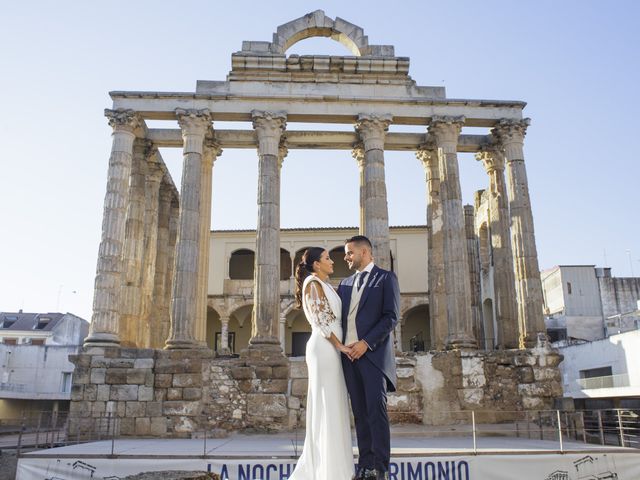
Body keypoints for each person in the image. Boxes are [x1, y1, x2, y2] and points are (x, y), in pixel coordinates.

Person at [289, 247, 355, 480]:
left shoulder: (324, 284)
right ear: (317, 264)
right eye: (328, 258)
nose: (333, 261)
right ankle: (328, 472)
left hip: (330, 347)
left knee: (334, 404)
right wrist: (340, 346)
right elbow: (321, 319)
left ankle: (335, 469)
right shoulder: (313, 283)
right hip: (326, 347)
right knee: (328, 405)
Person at [338, 235, 400, 480]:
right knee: (360, 413)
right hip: (349, 358)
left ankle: (381, 468)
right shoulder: (344, 284)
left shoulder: (385, 278)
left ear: (364, 252)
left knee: (376, 410)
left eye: (349, 252)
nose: (346, 257)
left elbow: (390, 317)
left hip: (372, 356)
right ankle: (365, 466)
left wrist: (366, 343)